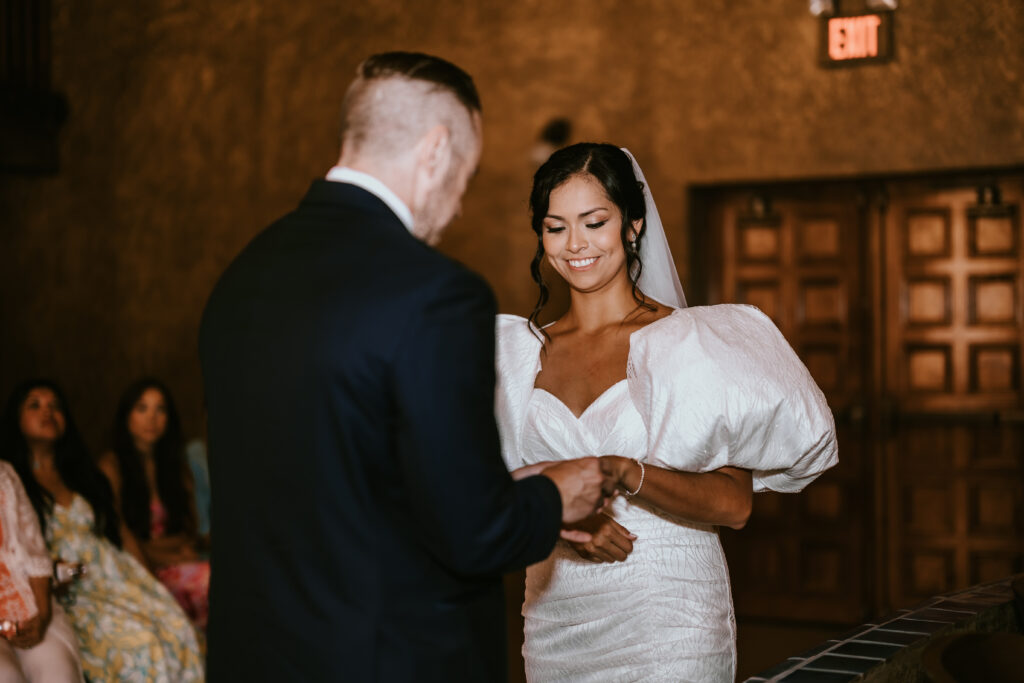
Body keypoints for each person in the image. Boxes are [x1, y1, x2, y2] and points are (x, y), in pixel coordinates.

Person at [198, 52, 611, 682]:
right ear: (436, 152)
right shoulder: (435, 294)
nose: (458, 205)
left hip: (256, 655)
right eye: (466, 176)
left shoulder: (244, 275)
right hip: (385, 657)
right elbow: (471, 534)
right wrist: (556, 496)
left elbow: (335, 478)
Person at [495, 143, 839, 681]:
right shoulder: (513, 356)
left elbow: (734, 506)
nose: (575, 244)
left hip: (667, 618)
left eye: (594, 221)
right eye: (555, 227)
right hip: (556, 618)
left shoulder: (690, 342)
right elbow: (483, 494)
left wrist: (625, 471)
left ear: (632, 226)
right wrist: (556, 522)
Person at [0, 379, 204, 682]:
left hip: (115, 574)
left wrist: (150, 581)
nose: (48, 411)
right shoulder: (11, 482)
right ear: (15, 417)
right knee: (143, 642)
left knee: (176, 627)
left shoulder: (84, 475)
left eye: (55, 406)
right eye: (35, 404)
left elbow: (120, 532)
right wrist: (69, 574)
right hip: (73, 588)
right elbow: (23, 558)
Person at [98, 377, 210, 630]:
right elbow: (116, 539)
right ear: (126, 415)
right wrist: (169, 554)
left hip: (178, 562)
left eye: (160, 409)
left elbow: (188, 533)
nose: (152, 418)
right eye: (142, 408)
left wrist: (178, 551)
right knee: (210, 581)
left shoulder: (176, 466)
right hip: (137, 570)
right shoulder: (111, 466)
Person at [0, 460, 83, 682]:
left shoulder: (5, 474)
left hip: (28, 602)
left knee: (59, 673)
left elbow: (35, 552)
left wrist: (42, 615)